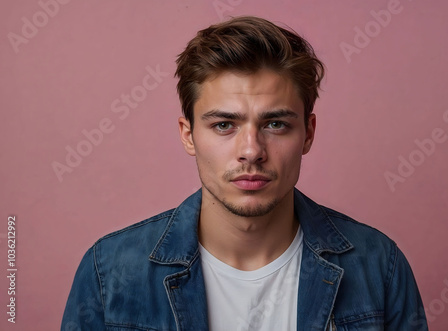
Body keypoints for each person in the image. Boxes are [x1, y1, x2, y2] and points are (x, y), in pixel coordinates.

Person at [62, 16, 428, 331]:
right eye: (224, 125)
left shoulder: (379, 267)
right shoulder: (109, 273)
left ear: (309, 133)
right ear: (189, 136)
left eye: (275, 124)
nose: (251, 150)